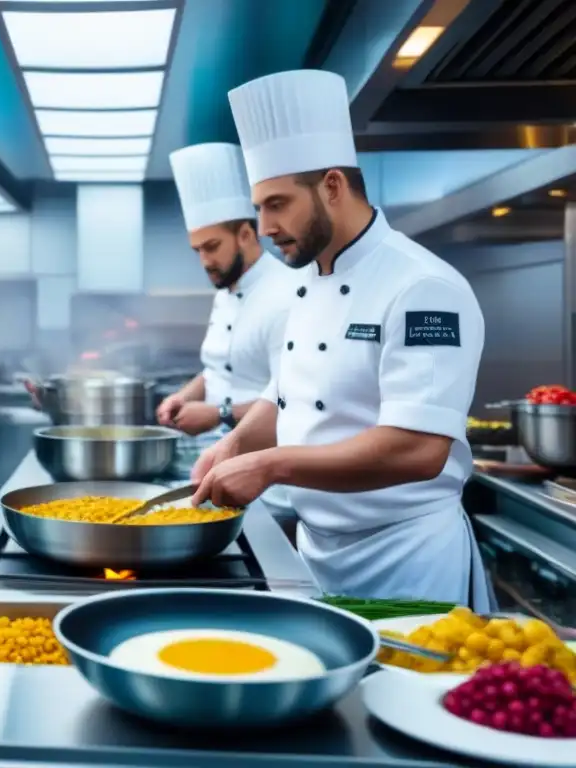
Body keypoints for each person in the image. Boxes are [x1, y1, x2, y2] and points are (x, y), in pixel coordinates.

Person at [191, 70, 493, 611]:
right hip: (317, 556)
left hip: (407, 563)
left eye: (277, 204)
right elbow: (285, 394)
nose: (263, 226)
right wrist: (235, 444)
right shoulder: (306, 284)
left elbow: (419, 449)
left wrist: (272, 464)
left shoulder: (422, 287)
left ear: (332, 185)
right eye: (259, 207)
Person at [156, 142, 297, 527]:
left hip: (270, 493)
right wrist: (185, 396)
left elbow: (295, 401)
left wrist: (218, 414)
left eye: (212, 247)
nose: (205, 261)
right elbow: (221, 368)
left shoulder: (287, 297)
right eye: (197, 250)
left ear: (247, 234)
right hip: (214, 472)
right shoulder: (227, 291)